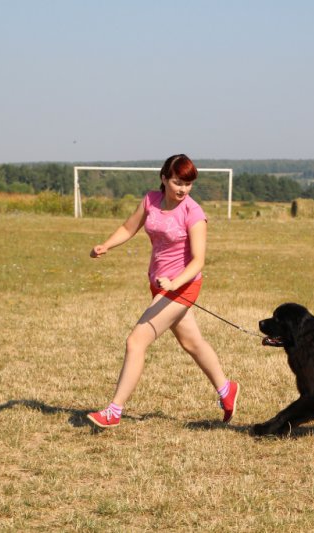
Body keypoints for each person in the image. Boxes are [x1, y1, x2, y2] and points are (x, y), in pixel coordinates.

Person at [86, 154, 240, 428]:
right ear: (164, 178)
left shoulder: (193, 213)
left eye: (188, 184)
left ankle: (114, 410)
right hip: (159, 285)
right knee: (191, 343)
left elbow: (198, 261)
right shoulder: (150, 201)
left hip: (182, 286)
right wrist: (106, 245)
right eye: (178, 182)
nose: (183, 190)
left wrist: (175, 283)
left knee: (136, 341)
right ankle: (227, 390)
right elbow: (127, 228)